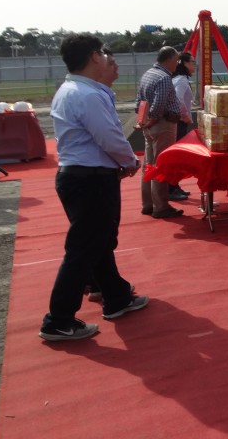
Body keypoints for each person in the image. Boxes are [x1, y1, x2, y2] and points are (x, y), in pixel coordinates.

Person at [39, 34, 148, 342]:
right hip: (89, 179)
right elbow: (109, 136)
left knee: (97, 242)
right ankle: (58, 320)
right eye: (102, 53)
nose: (108, 59)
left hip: (83, 176)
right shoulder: (86, 94)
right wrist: (129, 160)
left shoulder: (74, 89)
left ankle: (115, 295)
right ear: (93, 57)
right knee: (83, 249)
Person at [136, 46, 184, 219]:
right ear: (169, 59)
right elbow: (159, 104)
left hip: (149, 125)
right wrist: (153, 120)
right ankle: (161, 206)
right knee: (160, 165)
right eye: (176, 60)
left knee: (148, 165)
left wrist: (143, 120)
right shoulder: (164, 77)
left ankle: (148, 203)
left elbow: (139, 100)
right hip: (162, 124)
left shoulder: (148, 74)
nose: (177, 64)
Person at [168, 51, 198, 201]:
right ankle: (171, 187)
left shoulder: (180, 79)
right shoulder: (181, 81)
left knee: (177, 156)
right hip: (179, 122)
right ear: (184, 64)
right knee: (176, 157)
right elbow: (178, 100)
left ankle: (174, 186)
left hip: (178, 121)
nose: (194, 65)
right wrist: (186, 117)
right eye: (192, 62)